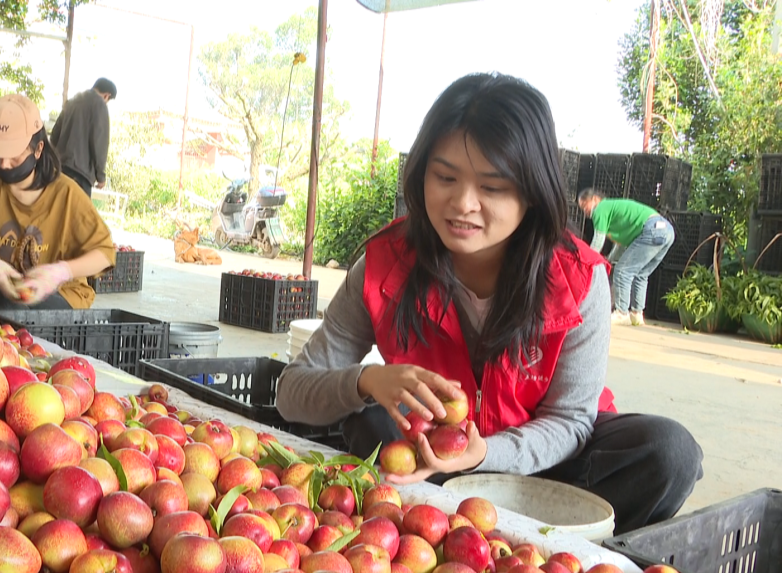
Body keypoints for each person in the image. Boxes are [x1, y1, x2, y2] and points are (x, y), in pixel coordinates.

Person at [275, 73, 703, 535]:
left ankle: (553, 547)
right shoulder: (385, 266)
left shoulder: (579, 279)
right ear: (421, 175)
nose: (462, 203)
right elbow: (291, 392)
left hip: (546, 470)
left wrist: (484, 455)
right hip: (430, 461)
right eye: (445, 177)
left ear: (531, 192)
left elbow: (571, 420)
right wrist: (367, 379)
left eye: (492, 187)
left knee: (668, 452)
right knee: (372, 421)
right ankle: (442, 534)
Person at [0, 94, 116, 313]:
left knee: (11, 304)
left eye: (15, 156)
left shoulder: (66, 193)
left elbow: (105, 255)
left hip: (59, 295)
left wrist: (61, 272)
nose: (5, 164)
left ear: (38, 149)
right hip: (6, 288)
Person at [578, 190, 675, 326]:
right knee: (641, 274)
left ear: (594, 199)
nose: (585, 212)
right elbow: (621, 246)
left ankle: (622, 312)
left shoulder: (600, 209)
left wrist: (586, 262)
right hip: (667, 231)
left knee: (623, 271)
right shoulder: (614, 210)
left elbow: (598, 240)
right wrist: (609, 260)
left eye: (585, 206)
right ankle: (637, 314)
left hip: (651, 229)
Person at [49, 77, 117, 198]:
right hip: (80, 175)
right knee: (76, 215)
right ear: (107, 95)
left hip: (59, 170)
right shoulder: (100, 105)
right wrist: (100, 176)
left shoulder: (72, 102)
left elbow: (54, 135)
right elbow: (100, 143)